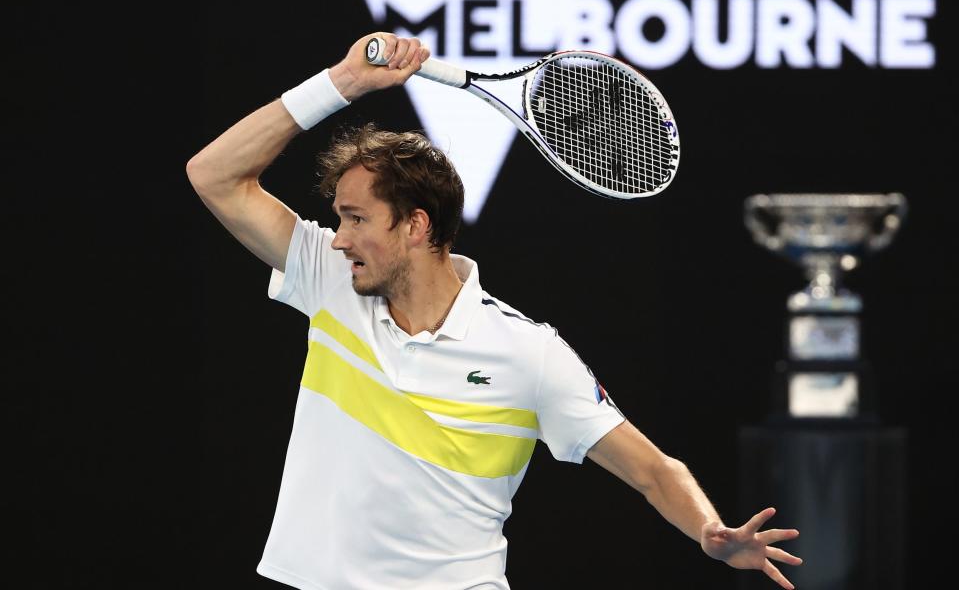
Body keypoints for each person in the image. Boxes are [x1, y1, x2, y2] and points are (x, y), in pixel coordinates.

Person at [186, 33, 802, 590]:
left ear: (415, 226)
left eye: (355, 218)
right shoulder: (330, 278)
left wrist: (709, 531)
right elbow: (213, 175)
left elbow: (654, 470)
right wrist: (340, 84)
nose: (339, 237)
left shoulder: (526, 351)